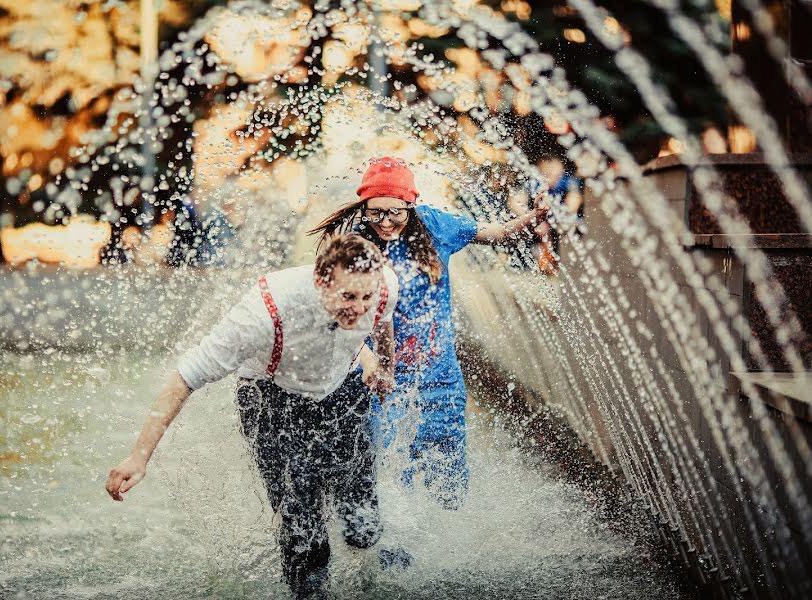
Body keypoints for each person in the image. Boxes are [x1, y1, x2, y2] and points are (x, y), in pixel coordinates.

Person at [105, 234, 399, 598]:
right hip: (271, 399)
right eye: (347, 297)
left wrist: (385, 366)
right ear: (321, 281)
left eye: (366, 297)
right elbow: (185, 377)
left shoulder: (383, 286)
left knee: (363, 526)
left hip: (340, 389)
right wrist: (139, 456)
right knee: (304, 534)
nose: (359, 309)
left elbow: (382, 319)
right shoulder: (263, 312)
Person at [309, 157, 547, 510]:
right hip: (383, 381)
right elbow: (336, 317)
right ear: (364, 207)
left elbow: (494, 234)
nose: (386, 223)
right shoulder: (355, 245)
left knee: (448, 468)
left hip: (441, 375)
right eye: (375, 213)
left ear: (411, 205)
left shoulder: (435, 226)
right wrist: (367, 359)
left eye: (396, 213)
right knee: (390, 472)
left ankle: (448, 543)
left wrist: (535, 219)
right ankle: (394, 554)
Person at [508, 155, 583, 274]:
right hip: (538, 223)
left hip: (560, 222)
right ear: (539, 168)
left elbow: (573, 202)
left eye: (554, 169)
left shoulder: (568, 181)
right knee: (522, 229)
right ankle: (531, 263)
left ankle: (559, 264)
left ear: (561, 168)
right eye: (546, 171)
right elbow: (514, 202)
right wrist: (532, 219)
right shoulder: (533, 181)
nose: (550, 171)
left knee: (568, 226)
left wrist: (558, 217)